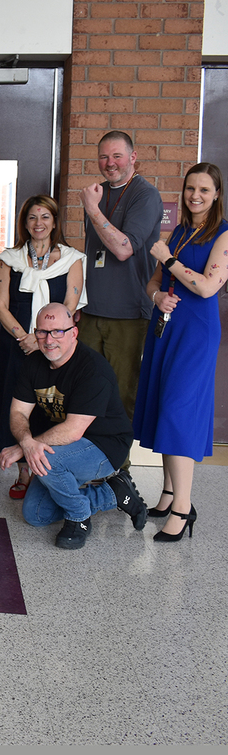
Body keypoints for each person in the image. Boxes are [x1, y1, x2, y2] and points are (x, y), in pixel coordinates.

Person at [0, 303, 146, 549]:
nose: (49, 339)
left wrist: (26, 449)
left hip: (104, 444)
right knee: (35, 514)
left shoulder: (92, 368)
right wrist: (26, 442)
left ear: (74, 332)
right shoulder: (34, 363)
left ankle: (79, 517)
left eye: (58, 331)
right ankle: (114, 493)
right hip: (65, 444)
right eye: (43, 332)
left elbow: (73, 430)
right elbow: (17, 412)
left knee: (49, 461)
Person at [134, 162, 228, 542]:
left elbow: (207, 287)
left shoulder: (223, 234)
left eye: (204, 190)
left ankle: (183, 509)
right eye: (190, 188)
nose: (195, 196)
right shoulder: (181, 231)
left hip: (196, 333)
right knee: (162, 407)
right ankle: (168, 491)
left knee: (177, 413)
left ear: (216, 194)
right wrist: (157, 295)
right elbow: (155, 280)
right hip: (166, 327)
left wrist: (168, 258)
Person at [0, 195, 85, 499]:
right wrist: (26, 337)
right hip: (17, 345)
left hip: (56, 347)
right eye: (32, 217)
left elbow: (69, 307)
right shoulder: (8, 259)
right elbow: (0, 307)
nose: (38, 223)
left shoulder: (72, 260)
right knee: (18, 402)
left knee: (50, 404)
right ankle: (24, 470)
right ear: (24, 223)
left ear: (54, 221)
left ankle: (48, 468)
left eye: (45, 217)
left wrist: (44, 338)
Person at [79, 130, 163, 423]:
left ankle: (119, 465)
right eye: (104, 156)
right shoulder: (98, 192)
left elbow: (124, 249)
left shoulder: (145, 194)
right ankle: (88, 460)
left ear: (133, 158)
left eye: (117, 156)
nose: (110, 163)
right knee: (85, 389)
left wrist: (91, 209)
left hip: (128, 313)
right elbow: (90, 253)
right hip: (89, 312)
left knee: (121, 393)